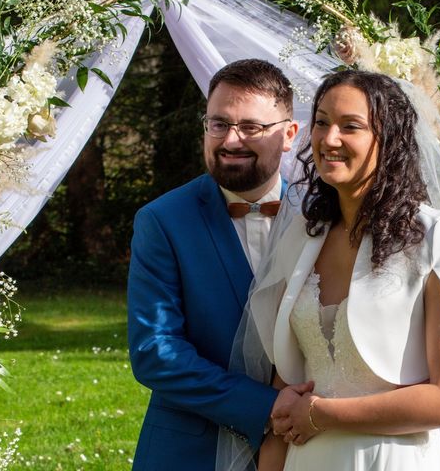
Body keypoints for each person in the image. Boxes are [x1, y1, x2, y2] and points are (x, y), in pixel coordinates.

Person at [243, 70, 440, 470]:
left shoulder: (432, 237)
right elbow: (287, 388)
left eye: (351, 127)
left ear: (390, 140)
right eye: (323, 122)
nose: (329, 139)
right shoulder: (302, 237)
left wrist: (321, 415)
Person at [127, 58, 311, 471]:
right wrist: (265, 406)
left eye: (251, 127)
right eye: (218, 124)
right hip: (191, 452)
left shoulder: (324, 217)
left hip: (310, 446)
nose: (230, 140)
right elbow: (155, 351)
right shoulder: (162, 220)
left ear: (289, 135)